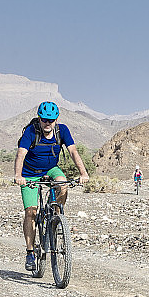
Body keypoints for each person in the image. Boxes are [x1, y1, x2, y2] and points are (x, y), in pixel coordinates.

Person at [14, 101, 89, 271]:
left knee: (63, 183)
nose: (47, 123)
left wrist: (83, 173)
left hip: (51, 168)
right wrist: (18, 176)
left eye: (51, 120)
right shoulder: (31, 131)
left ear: (56, 119)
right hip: (29, 173)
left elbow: (73, 151)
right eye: (44, 120)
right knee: (31, 212)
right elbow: (21, 154)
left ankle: (56, 216)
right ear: (39, 118)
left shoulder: (62, 130)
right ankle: (30, 252)